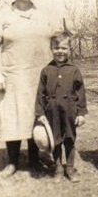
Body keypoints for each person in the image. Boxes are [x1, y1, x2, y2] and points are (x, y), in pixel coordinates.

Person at [0, 0, 51, 178]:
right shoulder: (3, 16)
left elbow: (56, 41)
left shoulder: (42, 14)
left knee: (36, 115)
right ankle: (12, 162)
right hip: (13, 75)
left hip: (38, 74)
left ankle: (35, 159)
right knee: (12, 116)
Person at [35, 31, 88, 182]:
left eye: (64, 48)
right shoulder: (46, 71)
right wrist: (40, 113)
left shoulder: (74, 70)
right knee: (55, 139)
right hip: (52, 111)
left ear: (69, 50)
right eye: (56, 48)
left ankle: (70, 167)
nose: (60, 51)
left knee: (69, 138)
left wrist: (81, 113)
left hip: (70, 110)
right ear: (51, 49)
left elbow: (81, 92)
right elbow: (40, 93)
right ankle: (58, 168)